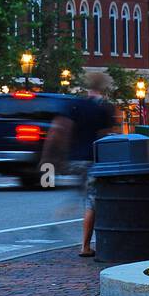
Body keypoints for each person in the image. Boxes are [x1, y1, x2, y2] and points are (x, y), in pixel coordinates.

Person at [44, 71, 118, 258]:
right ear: (104, 87)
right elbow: (106, 137)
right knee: (91, 202)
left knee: (81, 193)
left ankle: (59, 214)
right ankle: (85, 246)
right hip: (93, 161)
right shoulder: (104, 109)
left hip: (74, 159)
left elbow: (58, 130)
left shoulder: (75, 105)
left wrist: (50, 156)